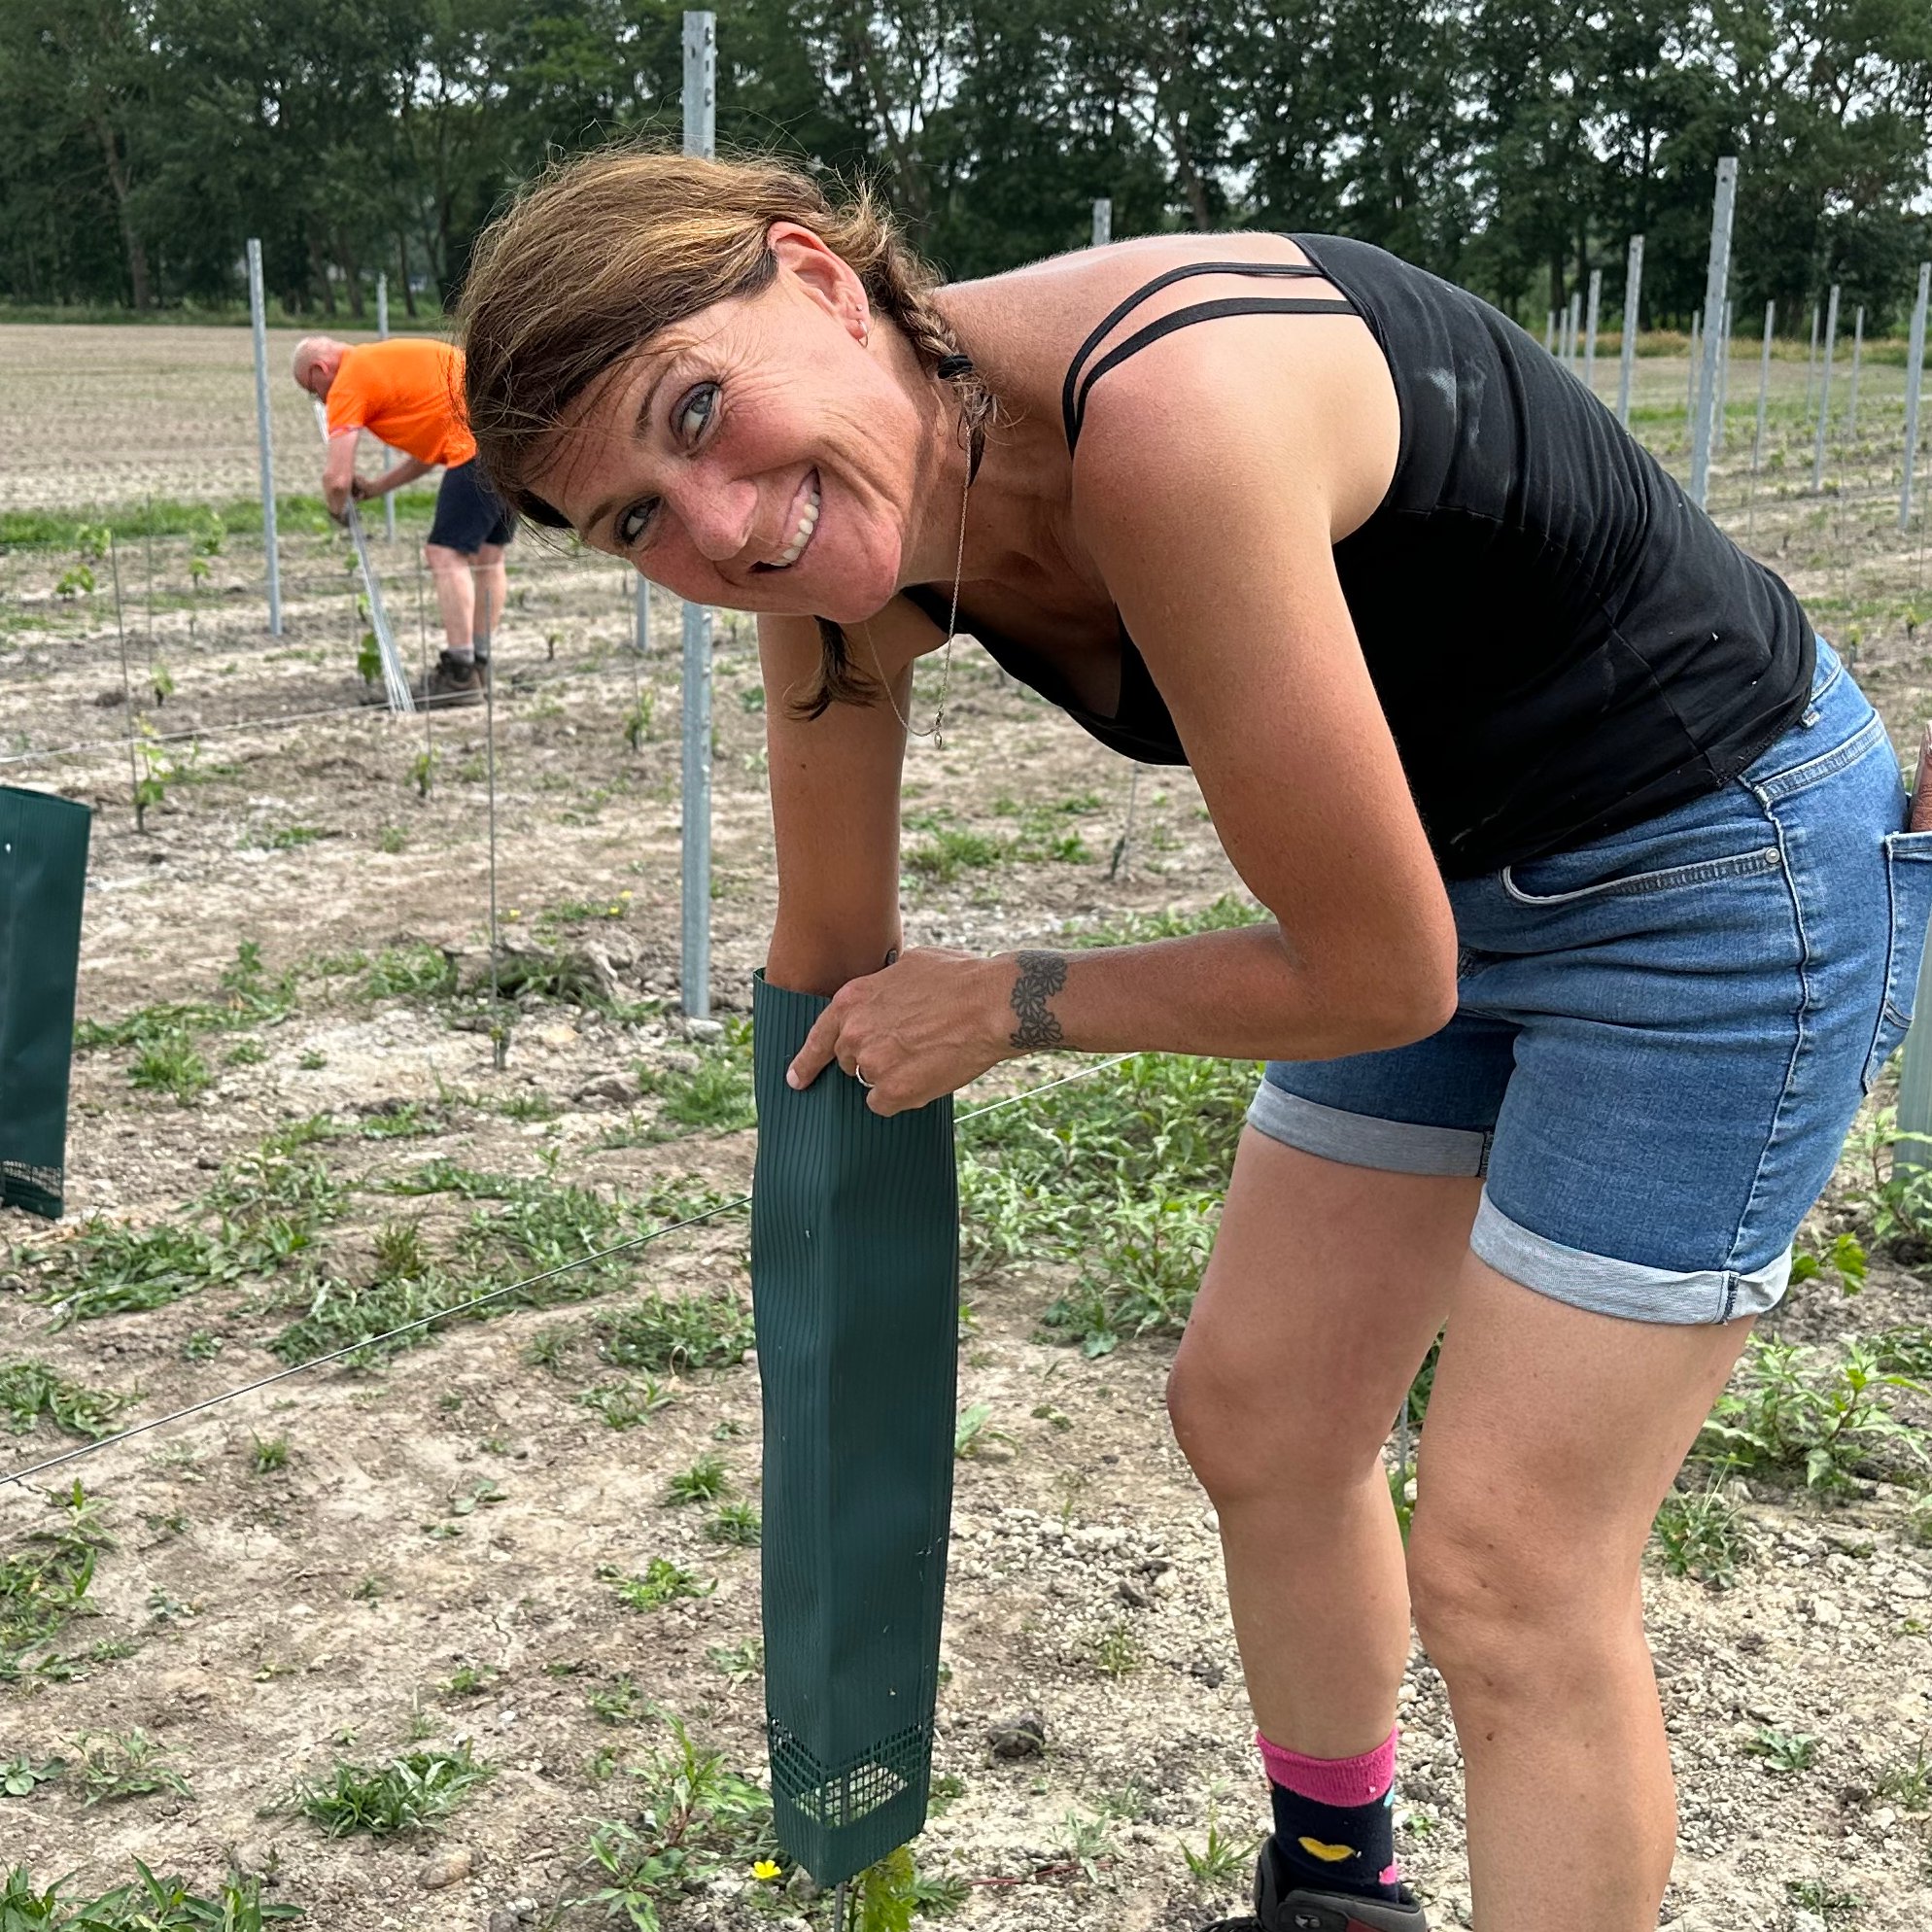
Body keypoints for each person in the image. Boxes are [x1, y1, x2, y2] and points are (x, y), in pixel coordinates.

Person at [455, 149, 1932, 1932]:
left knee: (1510, 1567)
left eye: (698, 409)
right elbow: (830, 942)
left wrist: (1013, 1000)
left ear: (821, 281)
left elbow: (1376, 975)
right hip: (1434, 873)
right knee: (1260, 1414)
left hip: (1708, 870)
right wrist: (806, 1256)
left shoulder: (1164, 416)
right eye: (634, 521)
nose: (717, 523)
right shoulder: (833, 562)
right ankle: (1337, 1894)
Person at [292, 333, 512, 706]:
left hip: (474, 451)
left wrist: (337, 510)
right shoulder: (384, 363)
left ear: (320, 369)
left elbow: (337, 479)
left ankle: (459, 673)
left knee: (444, 554)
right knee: (489, 556)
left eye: (314, 391)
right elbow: (431, 451)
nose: (321, 401)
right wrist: (377, 488)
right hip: (507, 439)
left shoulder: (348, 382)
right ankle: (479, 665)